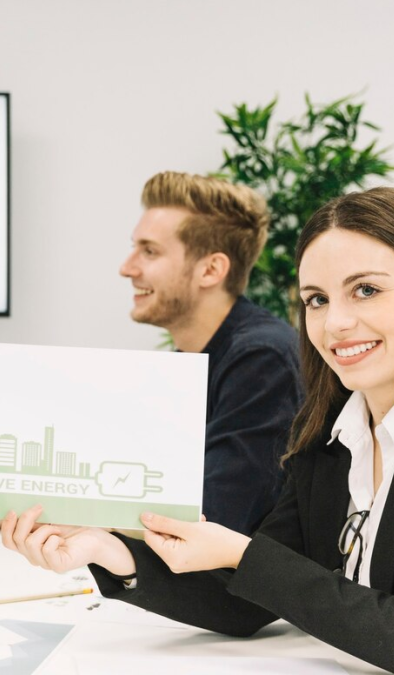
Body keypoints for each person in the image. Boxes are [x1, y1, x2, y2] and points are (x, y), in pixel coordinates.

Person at [1, 187, 394, 674]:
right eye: (317, 299)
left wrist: (240, 552)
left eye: (365, 290)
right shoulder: (331, 434)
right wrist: (105, 549)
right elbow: (245, 602)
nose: (335, 322)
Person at [119, 171, 300, 534]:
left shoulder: (263, 360)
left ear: (211, 270)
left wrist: (72, 517)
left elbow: (211, 520)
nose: (127, 268)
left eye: (149, 251)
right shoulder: (187, 361)